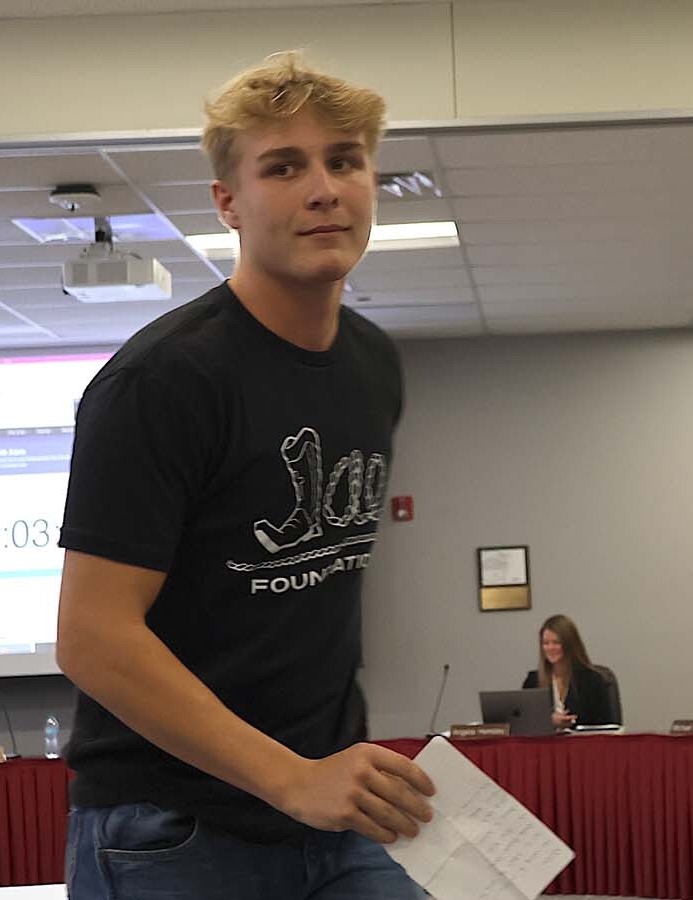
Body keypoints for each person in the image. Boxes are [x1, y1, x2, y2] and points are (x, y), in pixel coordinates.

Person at [55, 53, 435, 900]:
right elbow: (92, 637)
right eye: (284, 166)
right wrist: (288, 778)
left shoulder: (373, 364)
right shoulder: (163, 383)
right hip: (172, 826)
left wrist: (322, 780)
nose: (324, 188)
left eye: (344, 160)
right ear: (228, 202)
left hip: (331, 820)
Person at [521, 614, 617, 728]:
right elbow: (523, 724)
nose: (550, 648)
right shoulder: (533, 682)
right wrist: (548, 722)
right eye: (546, 643)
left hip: (582, 744)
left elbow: (606, 728)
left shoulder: (593, 680)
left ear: (570, 644)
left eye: (556, 642)